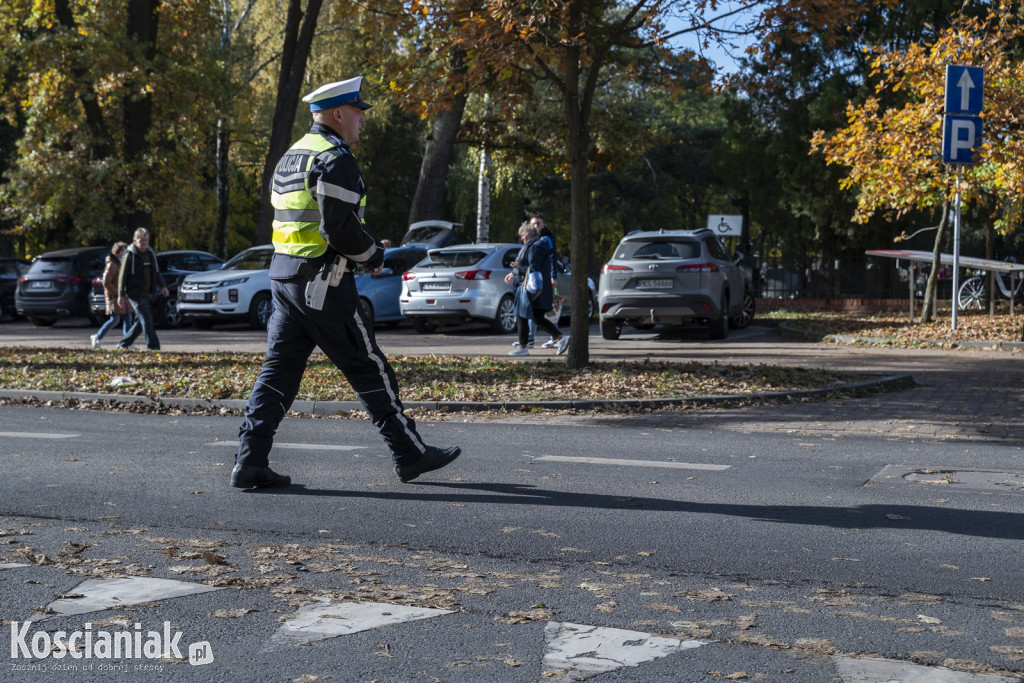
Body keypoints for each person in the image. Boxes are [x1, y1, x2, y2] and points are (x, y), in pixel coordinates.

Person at [231, 76, 460, 489]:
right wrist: (373, 256)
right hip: (325, 282)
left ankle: (250, 461)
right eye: (359, 112)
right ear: (339, 113)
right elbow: (340, 228)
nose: (362, 122)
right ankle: (408, 453)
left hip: (285, 280)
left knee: (277, 373)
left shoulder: (292, 155)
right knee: (369, 367)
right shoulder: (333, 157)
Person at [504, 222, 568, 357]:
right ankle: (560, 338)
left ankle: (523, 347)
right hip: (539, 288)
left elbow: (532, 268)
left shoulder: (534, 247)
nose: (522, 238)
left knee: (522, 314)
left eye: (523, 235)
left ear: (529, 235)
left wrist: (517, 267)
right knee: (536, 317)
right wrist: (514, 271)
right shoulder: (537, 245)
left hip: (532, 288)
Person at [116, 228, 168, 351]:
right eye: (141, 240)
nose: (144, 242)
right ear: (134, 241)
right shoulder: (129, 255)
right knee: (147, 319)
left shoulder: (150, 254)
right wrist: (121, 295)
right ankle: (153, 347)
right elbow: (122, 277)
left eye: (146, 240)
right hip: (135, 293)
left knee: (141, 321)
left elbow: (156, 272)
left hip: (147, 293)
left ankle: (123, 343)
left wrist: (163, 286)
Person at [90, 242, 134, 349]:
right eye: (123, 251)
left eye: (125, 250)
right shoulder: (112, 264)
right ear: (116, 252)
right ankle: (97, 336)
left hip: (123, 296)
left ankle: (126, 343)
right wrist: (117, 293)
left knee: (127, 318)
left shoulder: (121, 263)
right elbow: (105, 282)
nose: (125, 253)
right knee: (115, 320)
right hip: (116, 297)